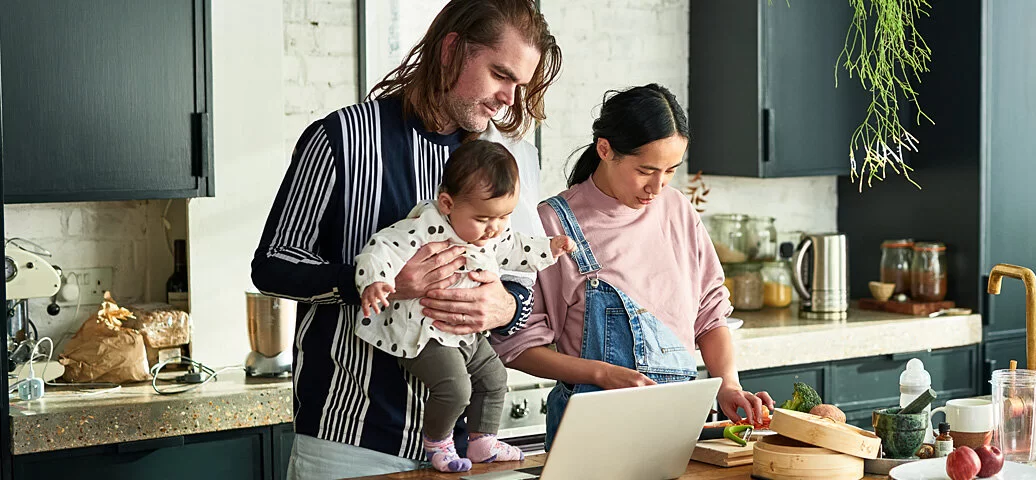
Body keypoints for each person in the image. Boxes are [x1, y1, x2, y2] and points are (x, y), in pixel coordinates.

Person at [250, 0, 561, 477]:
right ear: (452, 50)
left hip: (459, 454)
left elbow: (518, 281)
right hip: (350, 443)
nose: (510, 99)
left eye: (520, 85)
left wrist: (505, 307)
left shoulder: (501, 159)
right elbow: (272, 264)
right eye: (501, 75)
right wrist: (375, 284)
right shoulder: (341, 139)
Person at [489, 84, 773, 450]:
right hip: (592, 432)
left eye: (670, 171)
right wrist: (602, 373)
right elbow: (517, 345)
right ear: (605, 149)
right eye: (646, 170)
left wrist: (728, 384)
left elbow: (710, 315)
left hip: (676, 426)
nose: (657, 187)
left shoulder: (678, 211)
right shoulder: (551, 224)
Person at [353, 140, 575, 472]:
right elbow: (381, 248)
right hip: (423, 332)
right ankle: (438, 444)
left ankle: (482, 440)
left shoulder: (492, 233)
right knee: (456, 388)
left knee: (495, 377)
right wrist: (375, 281)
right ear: (447, 203)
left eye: (504, 217)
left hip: (468, 336)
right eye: (484, 218)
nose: (495, 228)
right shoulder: (424, 227)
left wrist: (549, 248)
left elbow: (515, 247)